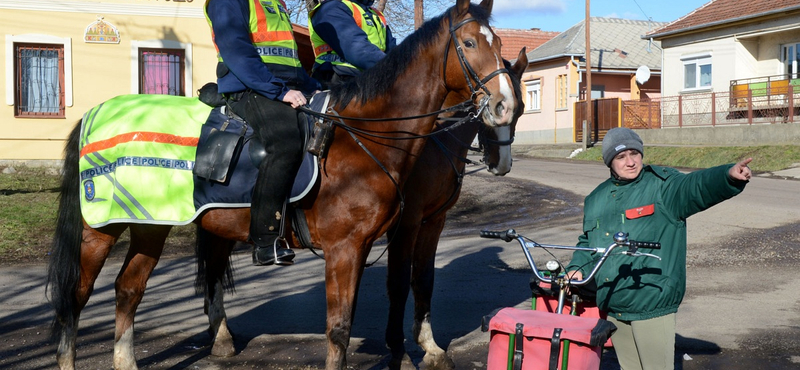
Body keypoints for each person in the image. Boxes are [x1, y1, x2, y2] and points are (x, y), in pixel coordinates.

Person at [565, 127, 752, 370]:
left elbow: (694, 187)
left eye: (635, 154)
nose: (631, 162)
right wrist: (576, 267)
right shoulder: (596, 198)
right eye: (621, 157)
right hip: (614, 303)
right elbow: (588, 243)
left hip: (652, 300)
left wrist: (726, 176)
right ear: (609, 162)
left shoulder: (663, 187)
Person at [205, 0, 321, 266]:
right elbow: (236, 50)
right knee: (285, 142)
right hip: (249, 87)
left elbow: (289, 57)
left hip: (282, 86)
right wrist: (278, 91)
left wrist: (313, 86)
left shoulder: (274, 3)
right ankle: (266, 239)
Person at [308, 0, 397, 87]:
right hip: (337, 79)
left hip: (371, 78)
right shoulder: (330, 8)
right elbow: (356, 49)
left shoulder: (376, 15)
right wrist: (394, 68)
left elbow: (393, 51)